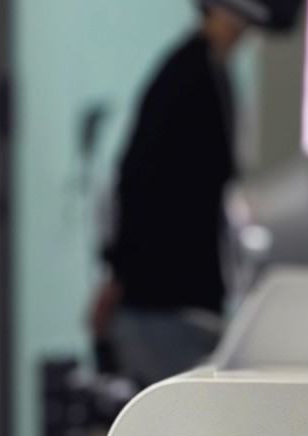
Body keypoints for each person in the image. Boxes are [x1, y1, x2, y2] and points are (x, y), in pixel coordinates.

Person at [94, 2, 269, 388]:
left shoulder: (210, 70)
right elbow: (136, 181)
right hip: (164, 305)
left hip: (182, 301)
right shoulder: (186, 75)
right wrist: (117, 273)